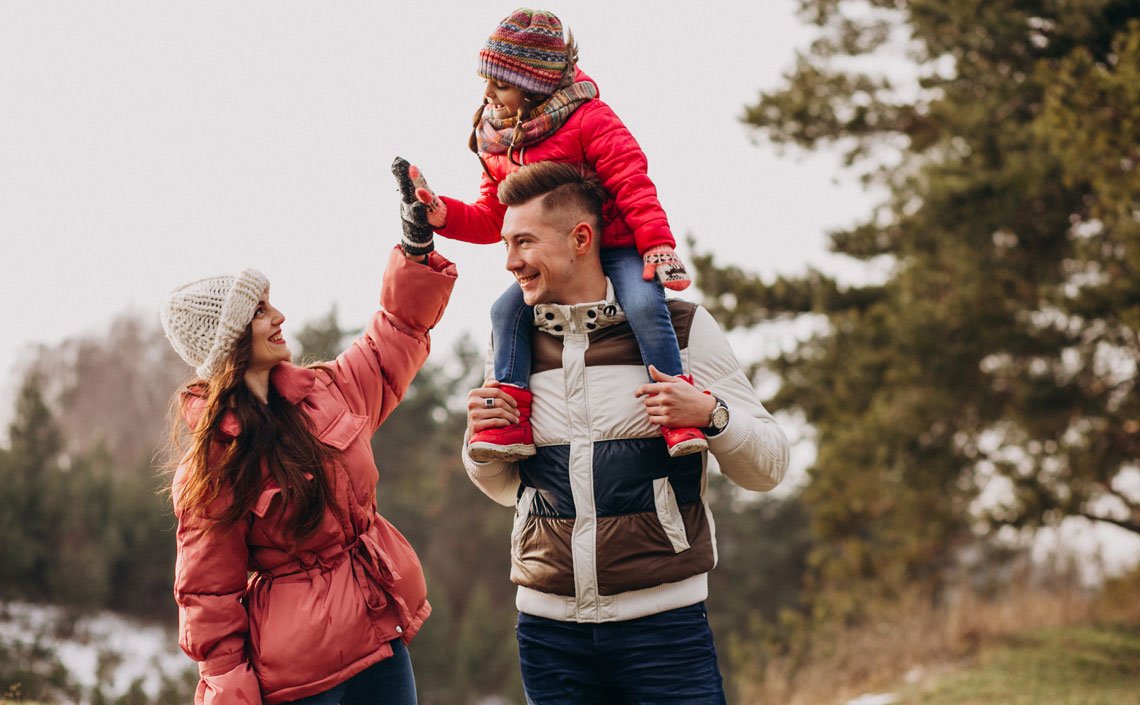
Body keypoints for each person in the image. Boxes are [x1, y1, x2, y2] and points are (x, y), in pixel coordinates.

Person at [461, 160, 790, 705]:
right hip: (547, 634)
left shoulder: (681, 329)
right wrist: (480, 446)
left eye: (523, 242)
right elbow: (506, 490)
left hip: (663, 628)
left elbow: (770, 466)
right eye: (505, 244)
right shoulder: (513, 342)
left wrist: (711, 414)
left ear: (581, 239)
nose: (510, 261)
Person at [162, 186, 454, 705]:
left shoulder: (327, 392)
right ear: (229, 342)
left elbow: (393, 336)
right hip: (300, 680)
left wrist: (414, 249)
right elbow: (209, 595)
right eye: (260, 311)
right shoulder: (214, 465)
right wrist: (231, 690)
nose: (279, 317)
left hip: (383, 643)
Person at [393, 7, 705, 464]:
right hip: (556, 258)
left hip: (614, 243)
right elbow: (491, 216)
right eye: (487, 80)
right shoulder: (497, 139)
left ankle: (678, 407)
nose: (488, 93)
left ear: (535, 83)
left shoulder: (589, 119)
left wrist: (657, 244)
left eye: (499, 83)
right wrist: (441, 215)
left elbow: (632, 181)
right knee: (504, 311)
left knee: (642, 302)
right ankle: (512, 415)